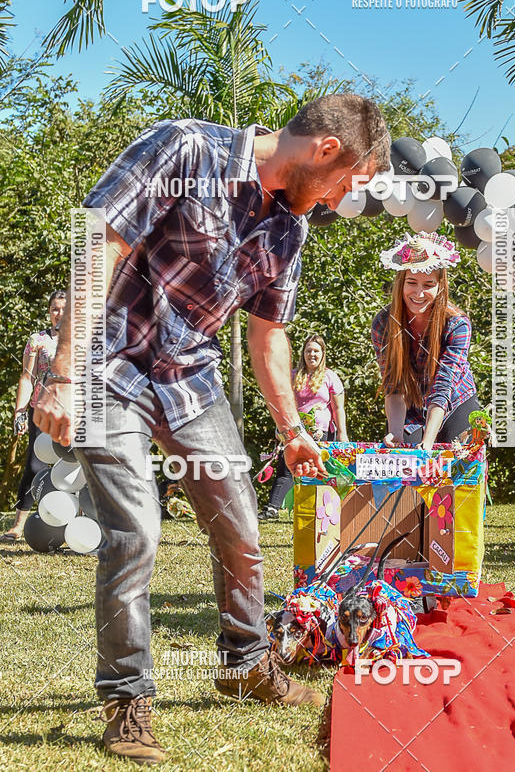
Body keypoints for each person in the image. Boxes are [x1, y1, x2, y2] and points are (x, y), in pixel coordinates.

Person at [33, 93, 390, 764]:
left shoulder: (289, 229)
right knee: (137, 531)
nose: (343, 198)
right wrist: (64, 373)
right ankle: (127, 700)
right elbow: (97, 241)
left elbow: (269, 335)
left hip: (190, 382)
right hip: (108, 370)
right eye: (350, 181)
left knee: (241, 525)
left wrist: (292, 429)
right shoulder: (187, 149)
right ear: (325, 150)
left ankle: (244, 666)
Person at [371, 231, 480, 451]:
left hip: (454, 400)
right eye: (412, 282)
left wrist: (428, 442)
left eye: (428, 285)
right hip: (410, 405)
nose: (419, 293)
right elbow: (393, 386)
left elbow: (443, 386)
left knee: (456, 460)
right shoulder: (383, 323)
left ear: (440, 286)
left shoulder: (457, 324)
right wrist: (395, 432)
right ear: (401, 283)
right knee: (405, 461)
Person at [259, 334, 348, 520]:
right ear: (303, 353)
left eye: (316, 351)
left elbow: (338, 408)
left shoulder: (330, 377)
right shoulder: (292, 376)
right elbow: (281, 404)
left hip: (321, 433)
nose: (312, 354)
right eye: (308, 351)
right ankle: (272, 508)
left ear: (322, 353)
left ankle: (320, 510)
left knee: (318, 470)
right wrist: (279, 428)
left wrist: (342, 434)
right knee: (285, 470)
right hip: (295, 432)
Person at [0, 290, 67, 542]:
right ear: (49, 312)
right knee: (34, 465)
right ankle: (18, 526)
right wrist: (19, 411)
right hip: (41, 411)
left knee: (75, 466)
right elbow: (26, 378)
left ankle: (77, 522)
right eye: (55, 309)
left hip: (72, 413)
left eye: (64, 308)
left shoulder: (82, 340)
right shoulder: (37, 340)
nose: (59, 313)